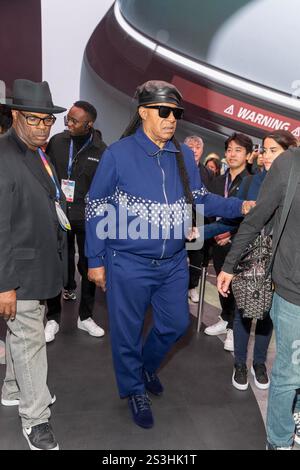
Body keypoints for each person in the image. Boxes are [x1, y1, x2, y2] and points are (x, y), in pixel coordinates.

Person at [85, 80, 254, 429]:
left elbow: (201, 199)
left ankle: (145, 366)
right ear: (144, 112)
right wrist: (95, 259)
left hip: (174, 264)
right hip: (128, 262)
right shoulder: (118, 154)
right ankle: (133, 387)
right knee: (127, 332)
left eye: (176, 113)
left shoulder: (181, 157)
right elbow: (96, 205)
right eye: (164, 111)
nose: (172, 118)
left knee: (176, 324)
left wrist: (243, 205)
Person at [217, 140, 300, 450]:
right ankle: (278, 441)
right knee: (291, 374)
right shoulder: (289, 164)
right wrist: (229, 264)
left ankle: (297, 416)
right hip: (294, 292)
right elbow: (257, 217)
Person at [0, 79, 67, 450]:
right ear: (15, 115)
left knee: (22, 335)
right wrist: (4, 284)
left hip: (41, 266)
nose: (42, 127)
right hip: (18, 272)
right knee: (29, 340)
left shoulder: (38, 152)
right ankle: (36, 419)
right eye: (34, 120)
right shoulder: (3, 156)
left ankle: (13, 388)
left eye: (47, 121)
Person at [231, 130, 297, 392]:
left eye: (274, 151)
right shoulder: (251, 182)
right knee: (244, 311)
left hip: (280, 256)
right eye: (265, 150)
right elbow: (240, 217)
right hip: (250, 253)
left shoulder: (293, 176)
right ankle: (239, 363)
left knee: (268, 313)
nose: (267, 156)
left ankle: (259, 363)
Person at [45, 101, 107, 342]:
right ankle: (52, 318)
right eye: (67, 119)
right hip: (58, 215)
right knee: (56, 264)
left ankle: (86, 317)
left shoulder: (102, 151)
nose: (68, 123)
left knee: (89, 266)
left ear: (89, 125)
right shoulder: (57, 143)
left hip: (87, 219)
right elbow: (47, 173)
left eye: (74, 120)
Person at [204, 133, 252, 352]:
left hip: (239, 243)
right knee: (221, 286)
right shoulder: (219, 180)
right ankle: (224, 319)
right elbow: (210, 208)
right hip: (217, 240)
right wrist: (215, 232)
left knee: (236, 287)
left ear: (248, 155)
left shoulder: (252, 181)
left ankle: (234, 328)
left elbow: (252, 216)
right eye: (230, 149)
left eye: (238, 150)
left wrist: (230, 234)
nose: (232, 154)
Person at [184, 135, 215, 303]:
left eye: (197, 147)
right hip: (180, 216)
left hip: (200, 217)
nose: (194, 151)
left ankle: (192, 287)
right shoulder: (177, 167)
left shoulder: (208, 173)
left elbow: (211, 198)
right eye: (190, 147)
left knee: (196, 255)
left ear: (202, 151)